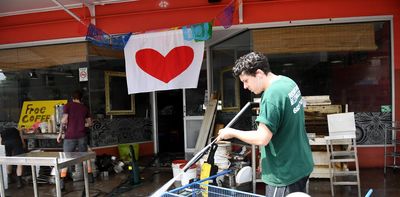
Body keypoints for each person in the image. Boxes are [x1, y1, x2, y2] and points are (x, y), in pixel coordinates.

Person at [216, 52, 314, 196]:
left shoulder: (271, 96)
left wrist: (231, 132)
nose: (244, 86)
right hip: (300, 163)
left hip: (284, 173)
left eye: (246, 80)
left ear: (259, 73)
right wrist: (264, 157)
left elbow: (262, 138)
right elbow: (281, 125)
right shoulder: (287, 82)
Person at [57, 90, 92, 190]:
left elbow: (64, 121)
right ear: (81, 99)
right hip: (82, 136)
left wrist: (60, 134)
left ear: (72, 98)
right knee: (84, 157)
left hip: (70, 136)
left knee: (66, 159)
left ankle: (62, 182)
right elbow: (89, 123)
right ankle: (89, 177)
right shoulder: (85, 108)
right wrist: (81, 124)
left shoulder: (67, 106)